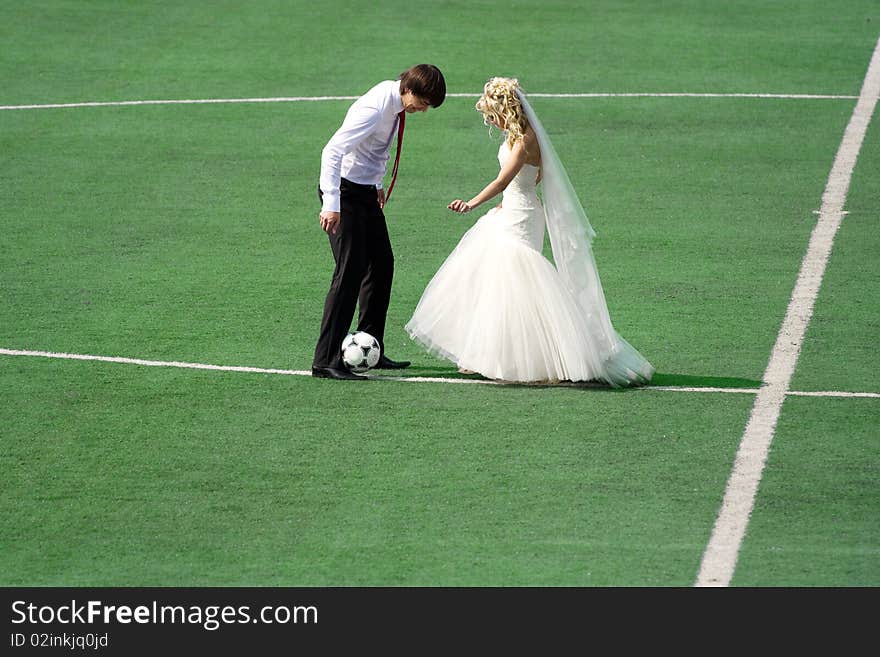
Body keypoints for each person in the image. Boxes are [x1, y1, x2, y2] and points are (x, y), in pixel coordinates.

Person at [405, 77, 654, 386]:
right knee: (493, 281)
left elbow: (502, 181)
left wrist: (472, 204)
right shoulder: (514, 136)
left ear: (505, 111)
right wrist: (508, 202)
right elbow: (529, 180)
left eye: (493, 116)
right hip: (510, 211)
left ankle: (521, 359)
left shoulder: (525, 141)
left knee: (517, 283)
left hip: (521, 219)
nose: (491, 121)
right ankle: (491, 354)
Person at [312, 64, 446, 380]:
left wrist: (376, 183)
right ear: (410, 89)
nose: (423, 110)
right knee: (349, 272)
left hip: (364, 191)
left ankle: (371, 348)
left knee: (382, 263)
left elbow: (374, 151)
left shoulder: (397, 104)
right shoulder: (376, 107)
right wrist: (331, 204)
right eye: (424, 102)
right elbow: (332, 151)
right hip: (344, 193)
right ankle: (325, 360)